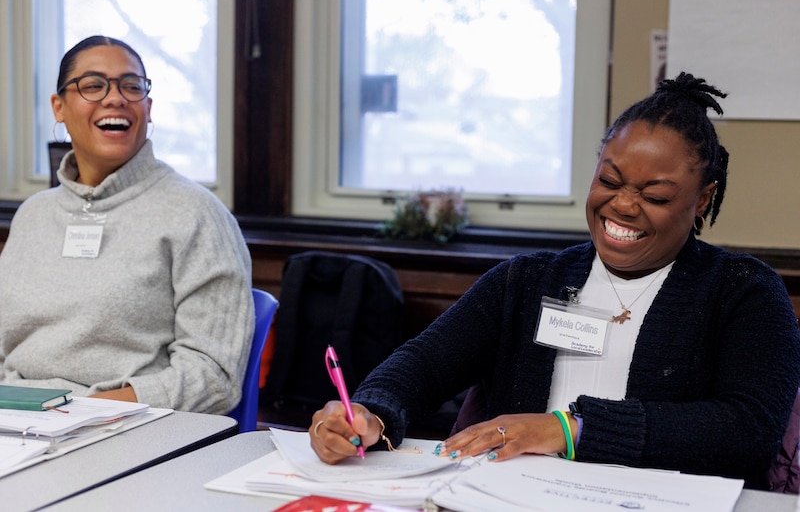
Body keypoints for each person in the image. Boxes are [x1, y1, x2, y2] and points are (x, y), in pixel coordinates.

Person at [309, 73, 800, 489]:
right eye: (609, 181)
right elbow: (423, 364)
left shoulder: (745, 293)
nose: (623, 205)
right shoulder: (525, 280)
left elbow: (747, 432)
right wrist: (369, 412)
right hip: (515, 497)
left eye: (655, 194)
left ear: (703, 200)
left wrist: (570, 430)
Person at [0, 36, 254, 414]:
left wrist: (85, 411)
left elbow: (213, 377)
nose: (115, 98)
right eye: (93, 85)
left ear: (148, 108)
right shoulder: (33, 215)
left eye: (131, 86)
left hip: (127, 427)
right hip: (16, 423)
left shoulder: (197, 214)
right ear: (59, 107)